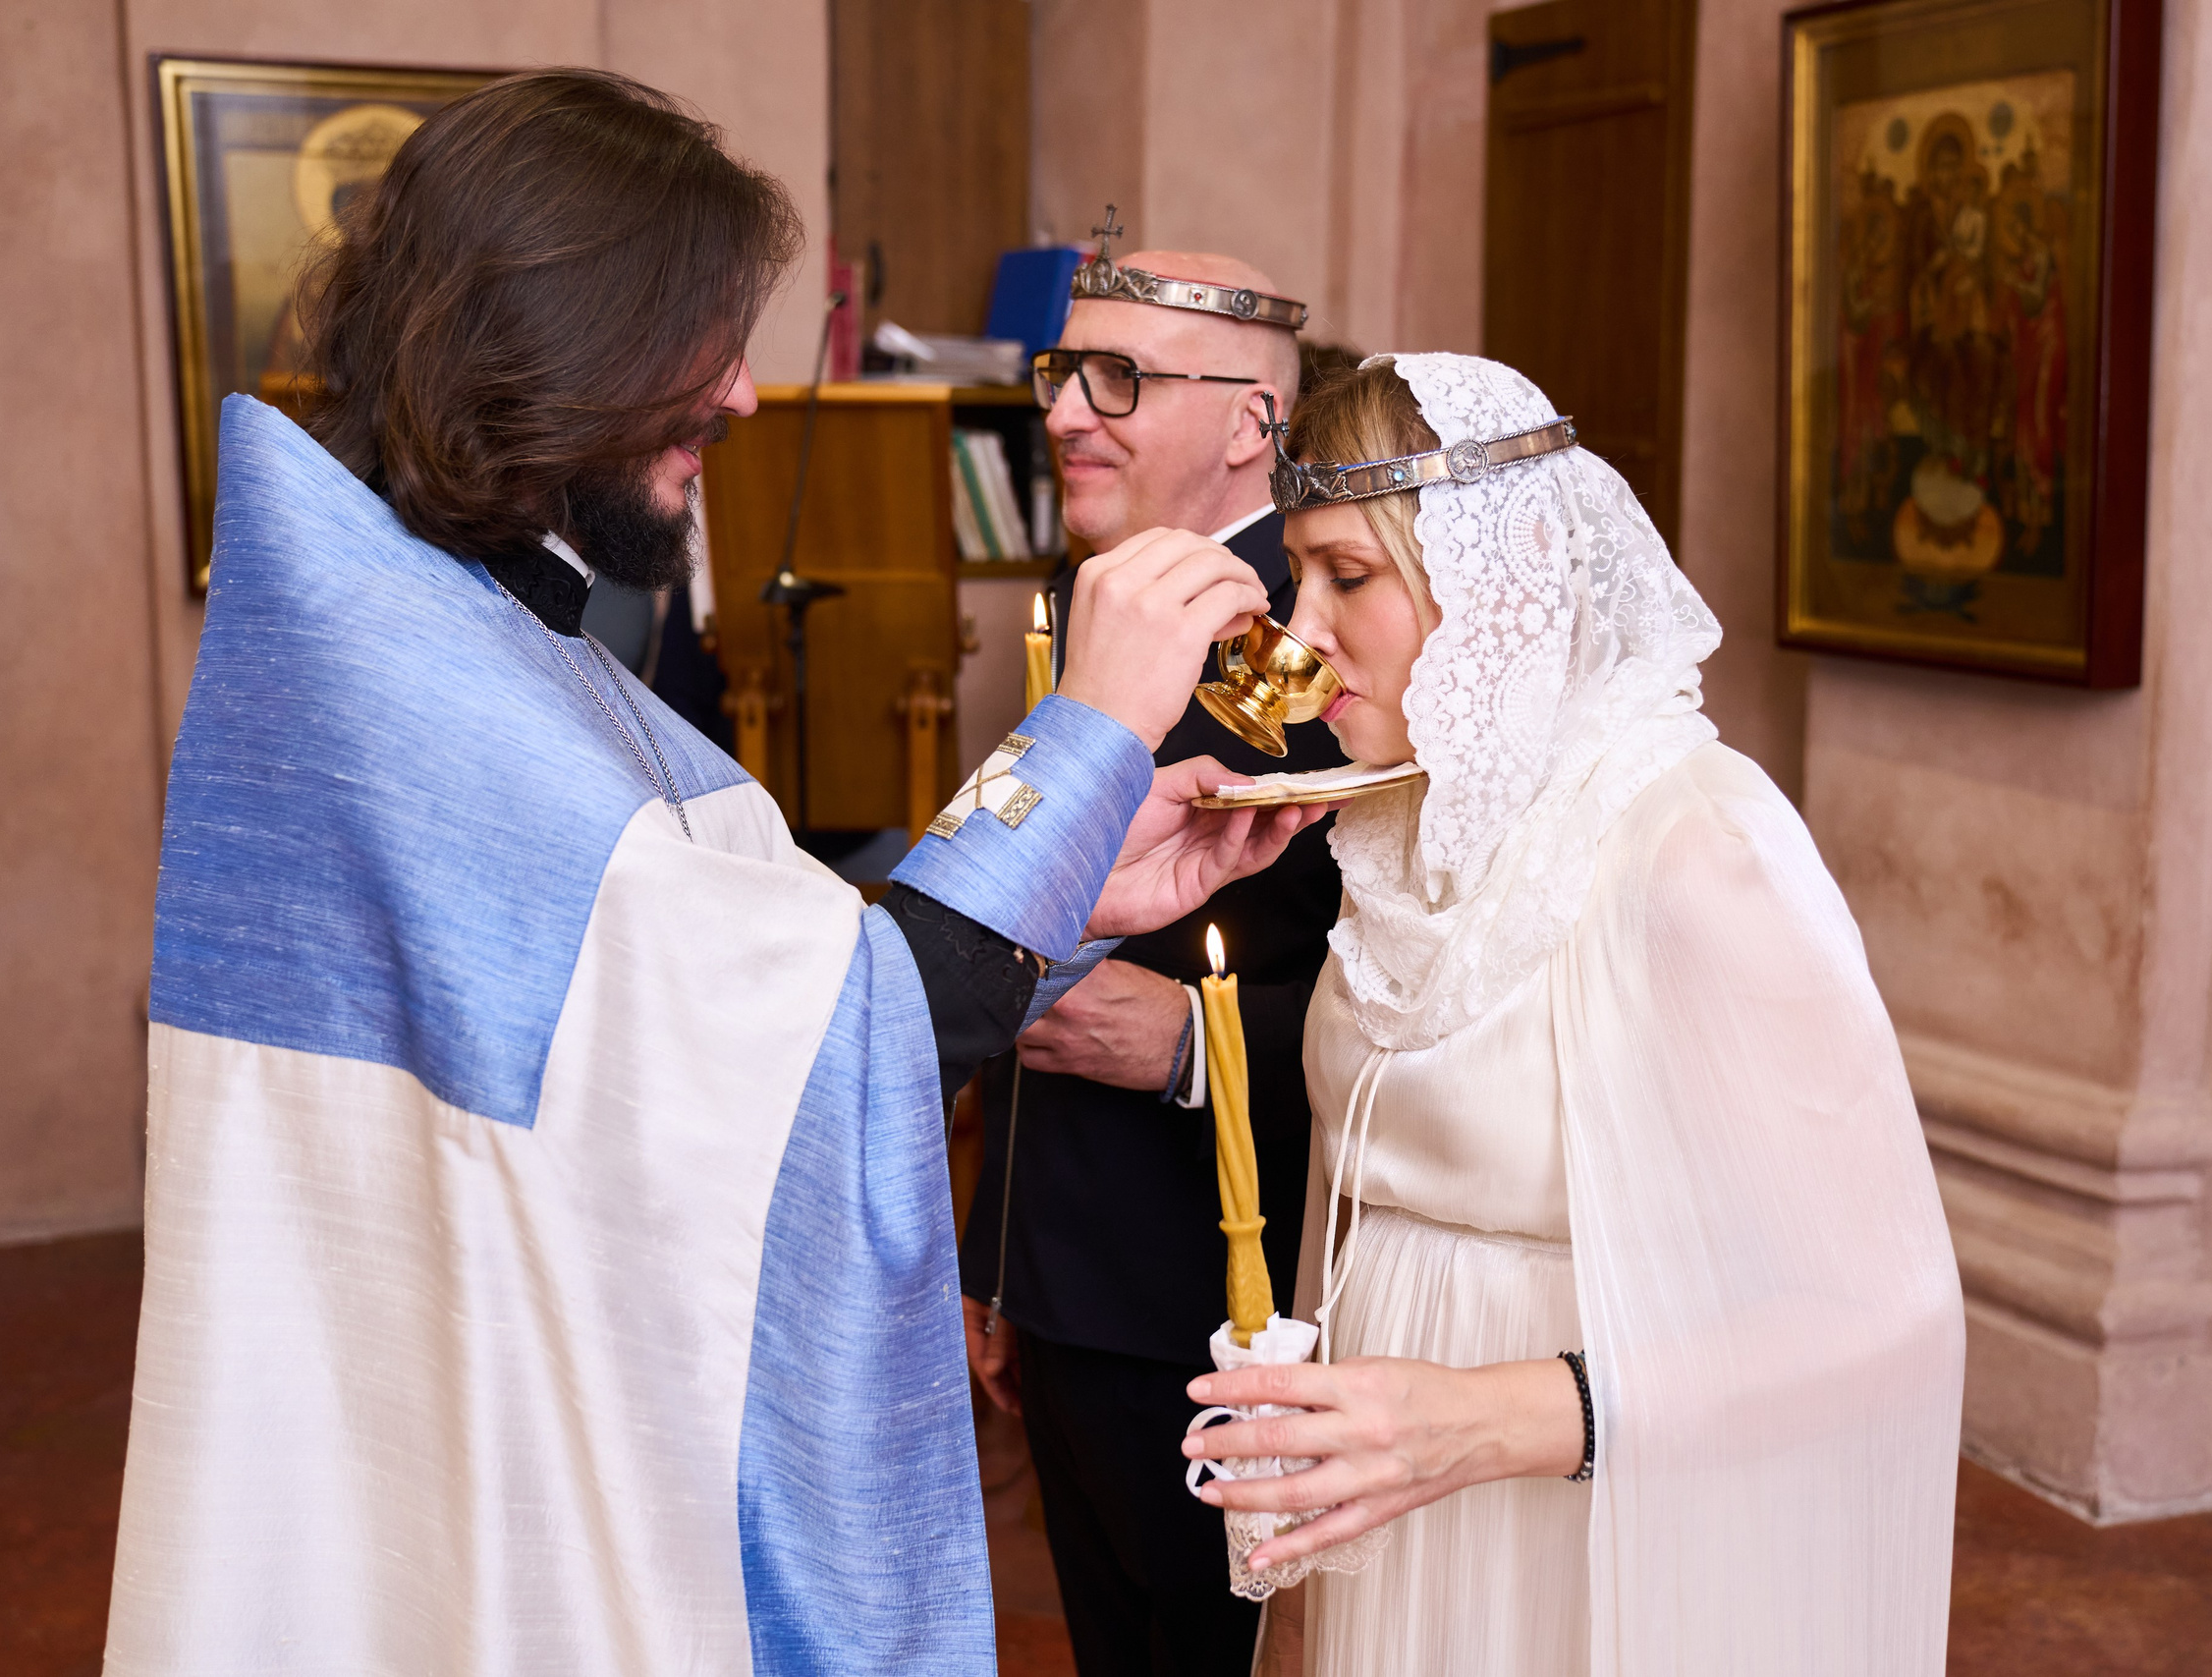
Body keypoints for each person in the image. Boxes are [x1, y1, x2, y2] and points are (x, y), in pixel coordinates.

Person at [109, 71, 1327, 1675]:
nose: (744, 399)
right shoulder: (415, 674)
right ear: (577, 338)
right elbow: (813, 1041)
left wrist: (1070, 890)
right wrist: (1091, 738)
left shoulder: (417, 621)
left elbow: (712, 984)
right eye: (703, 339)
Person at [1182, 356, 1966, 1675]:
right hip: (1406, 1528)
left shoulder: (1696, 848)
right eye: (1292, 581)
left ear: (1503, 572)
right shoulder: (1390, 826)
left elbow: (1880, 1312)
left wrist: (1482, 1424)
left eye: (1349, 578)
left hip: (1602, 1534)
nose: (1299, 640)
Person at [956, 236, 1347, 1676]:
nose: (1063, 411)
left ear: (1252, 420)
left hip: (1224, 1304)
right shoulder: (1092, 613)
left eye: (1117, 377)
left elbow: (1430, 998)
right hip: (1059, 1275)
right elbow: (1013, 937)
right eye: (1065, 372)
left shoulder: (1329, 645)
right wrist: (994, 1258)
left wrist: (1195, 1047)